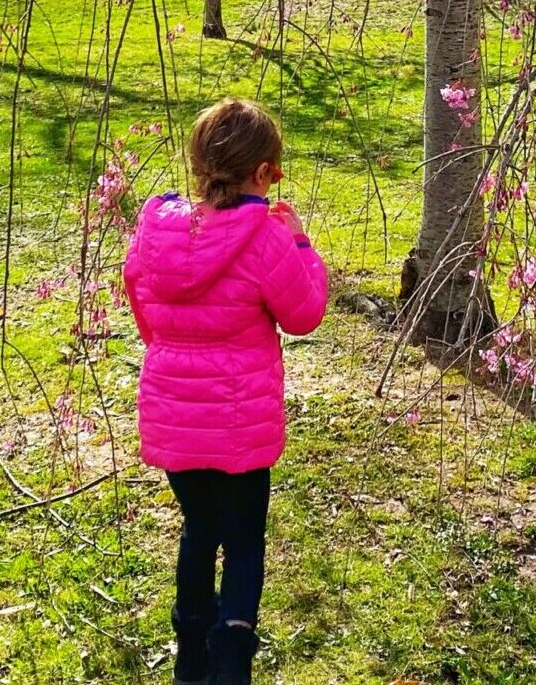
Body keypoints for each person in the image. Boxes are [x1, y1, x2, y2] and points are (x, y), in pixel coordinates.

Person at [124, 98, 328, 685]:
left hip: (175, 422)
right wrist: (300, 243)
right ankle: (231, 659)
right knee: (242, 541)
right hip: (240, 427)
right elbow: (305, 313)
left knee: (199, 530)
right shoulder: (265, 239)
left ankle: (191, 655)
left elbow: (145, 314)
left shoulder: (157, 233)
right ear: (263, 173)